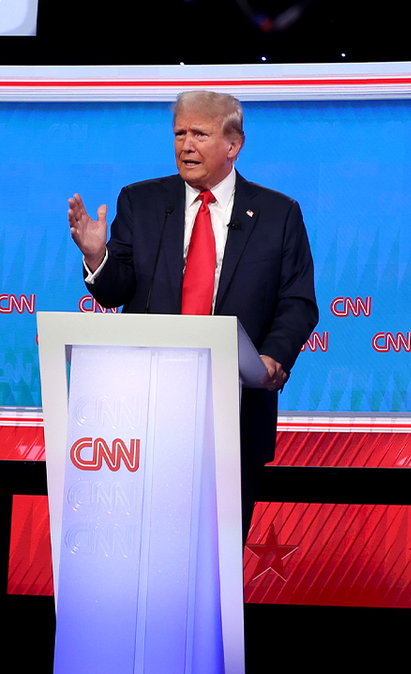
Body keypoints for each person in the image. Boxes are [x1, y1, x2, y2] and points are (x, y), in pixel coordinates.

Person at [67, 90, 319, 542]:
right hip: (146, 412)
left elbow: (297, 302)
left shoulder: (279, 214)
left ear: (233, 145)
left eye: (199, 134)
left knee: (217, 552)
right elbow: (116, 290)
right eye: (179, 133)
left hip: (236, 413)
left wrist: (272, 359)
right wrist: (98, 255)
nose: (186, 145)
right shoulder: (141, 202)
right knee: (142, 544)